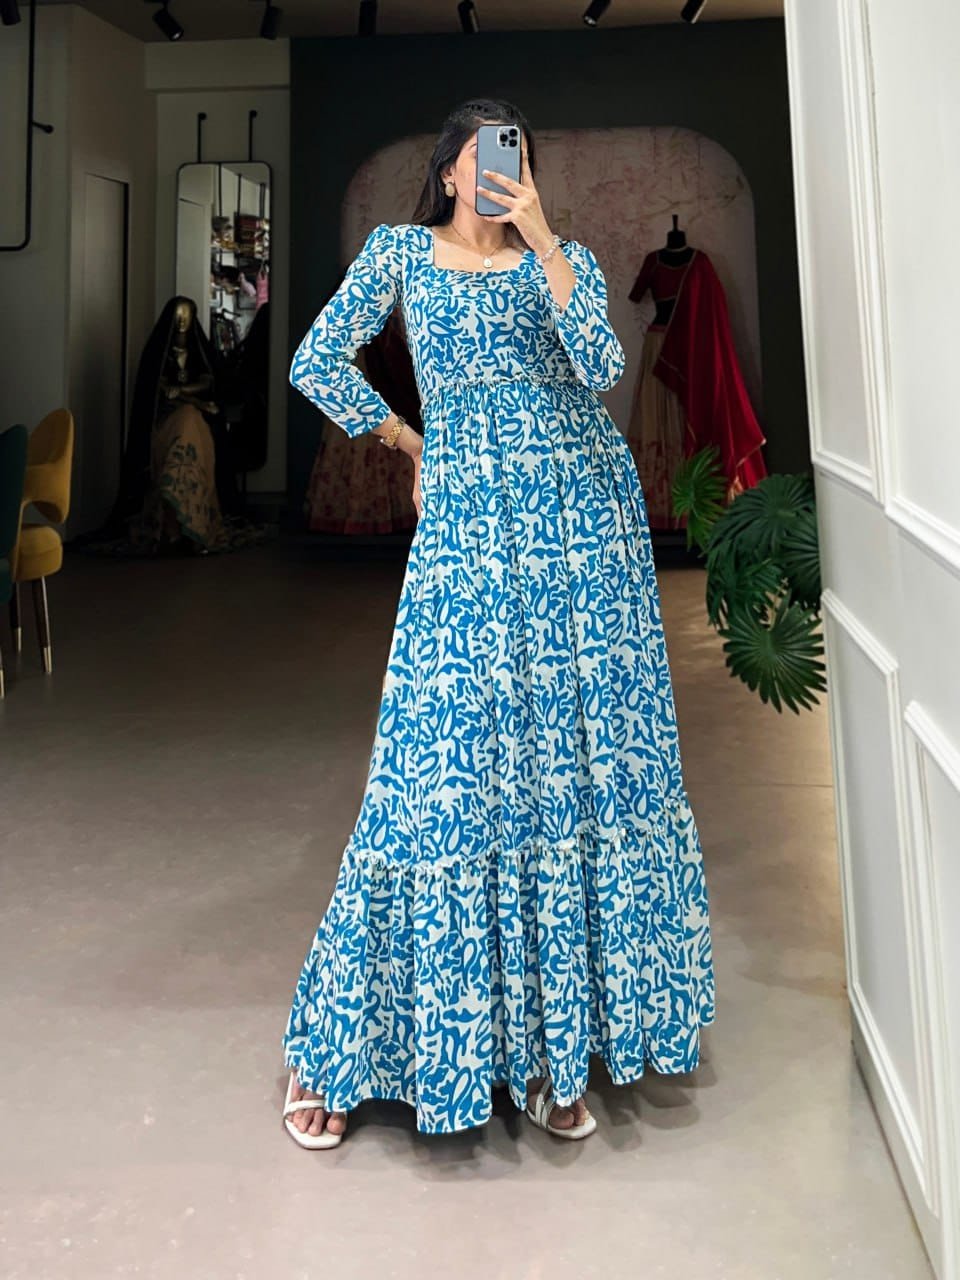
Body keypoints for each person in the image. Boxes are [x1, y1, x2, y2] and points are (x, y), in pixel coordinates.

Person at [281, 98, 716, 1148]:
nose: (499, 175)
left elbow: (602, 366)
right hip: (471, 528)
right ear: (447, 170)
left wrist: (546, 238)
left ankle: (556, 1052)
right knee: (439, 771)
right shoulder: (399, 255)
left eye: (515, 159)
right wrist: (407, 441)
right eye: (482, 159)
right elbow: (315, 360)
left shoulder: (555, 260)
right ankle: (342, 1045)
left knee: (571, 772)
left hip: (584, 535)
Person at [106, 297, 238, 554]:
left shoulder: (199, 355)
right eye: (178, 314)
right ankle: (170, 528)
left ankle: (192, 527)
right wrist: (181, 396)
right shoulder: (158, 357)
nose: (182, 320)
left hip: (196, 423)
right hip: (165, 424)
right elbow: (155, 392)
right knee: (177, 448)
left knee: (191, 433)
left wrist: (184, 393)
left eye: (187, 314)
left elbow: (210, 382)